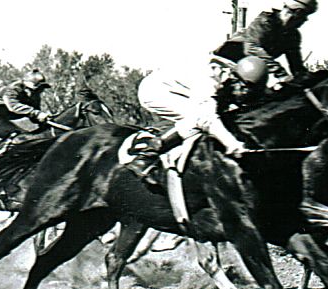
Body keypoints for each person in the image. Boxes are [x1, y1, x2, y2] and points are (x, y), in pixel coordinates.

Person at [129, 0, 317, 175]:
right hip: (165, 89)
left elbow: (298, 70)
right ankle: (147, 155)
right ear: (293, 12)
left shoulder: (293, 36)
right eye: (303, 16)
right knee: (200, 120)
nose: (304, 22)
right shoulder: (265, 21)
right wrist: (232, 144)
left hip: (244, 75)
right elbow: (252, 48)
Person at [0, 69, 53, 144]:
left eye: (41, 89)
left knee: (19, 134)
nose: (39, 92)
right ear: (25, 86)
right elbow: (13, 106)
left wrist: (44, 121)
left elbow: (35, 114)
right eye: (37, 89)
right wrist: (37, 114)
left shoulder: (35, 95)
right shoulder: (14, 88)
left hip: (3, 114)